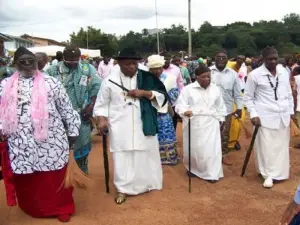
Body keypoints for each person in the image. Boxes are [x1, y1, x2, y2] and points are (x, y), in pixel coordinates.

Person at [0, 47, 81, 222]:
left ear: (37, 63)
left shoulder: (51, 83)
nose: (28, 65)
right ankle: (31, 207)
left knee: (53, 177)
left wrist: (73, 132)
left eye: (31, 61)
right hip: (20, 141)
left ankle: (61, 207)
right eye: (23, 62)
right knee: (28, 179)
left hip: (51, 141)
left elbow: (67, 109)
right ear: (15, 64)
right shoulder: (5, 85)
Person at [94, 48, 168, 205]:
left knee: (145, 153)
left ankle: (148, 184)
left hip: (144, 122)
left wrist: (145, 93)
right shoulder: (109, 81)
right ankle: (123, 188)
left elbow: (162, 96)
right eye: (128, 64)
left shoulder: (146, 77)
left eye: (135, 63)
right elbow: (101, 104)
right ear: (119, 63)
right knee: (122, 156)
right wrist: (101, 120)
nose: (132, 67)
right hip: (120, 125)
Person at [243, 46, 294, 188]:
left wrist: (290, 112)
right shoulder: (254, 75)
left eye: (275, 58)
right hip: (264, 117)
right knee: (265, 147)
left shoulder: (283, 72)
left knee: (280, 146)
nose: (273, 61)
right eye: (269, 59)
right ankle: (268, 175)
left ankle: (280, 173)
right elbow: (248, 98)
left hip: (283, 116)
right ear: (263, 59)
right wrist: (253, 114)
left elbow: (288, 94)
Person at [46, 45, 101, 174]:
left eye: (76, 61)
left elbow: (97, 86)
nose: (73, 64)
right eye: (69, 61)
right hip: (59, 118)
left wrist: (91, 105)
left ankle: (81, 173)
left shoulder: (87, 68)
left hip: (82, 115)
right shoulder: (53, 71)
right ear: (63, 58)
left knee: (82, 145)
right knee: (60, 148)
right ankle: (63, 175)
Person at [176, 65, 227, 182]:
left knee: (211, 150)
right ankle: (193, 168)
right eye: (204, 77)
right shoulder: (188, 89)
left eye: (209, 77)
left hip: (211, 122)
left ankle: (211, 173)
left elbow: (220, 106)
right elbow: (180, 105)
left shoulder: (215, 89)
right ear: (196, 77)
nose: (207, 79)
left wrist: (222, 119)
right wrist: (185, 111)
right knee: (195, 149)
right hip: (194, 122)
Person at [209, 50, 243, 166]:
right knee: (209, 133)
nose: (221, 59)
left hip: (226, 110)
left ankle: (223, 155)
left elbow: (237, 93)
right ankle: (209, 155)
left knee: (224, 134)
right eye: (219, 57)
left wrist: (239, 108)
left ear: (228, 59)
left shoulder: (233, 74)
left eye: (224, 57)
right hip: (209, 110)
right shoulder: (208, 72)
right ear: (215, 58)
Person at [148, 55, 179, 166]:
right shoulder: (143, 79)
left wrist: (161, 99)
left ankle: (168, 158)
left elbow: (175, 93)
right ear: (149, 69)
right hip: (149, 113)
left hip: (164, 112)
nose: (158, 71)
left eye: (160, 68)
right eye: (155, 68)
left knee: (166, 134)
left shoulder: (170, 78)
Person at [163, 54, 184, 131]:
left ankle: (173, 136)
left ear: (170, 59)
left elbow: (180, 84)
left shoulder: (176, 69)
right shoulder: (156, 69)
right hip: (159, 100)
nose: (165, 61)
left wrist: (180, 97)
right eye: (163, 59)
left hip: (173, 100)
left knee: (173, 119)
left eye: (167, 59)